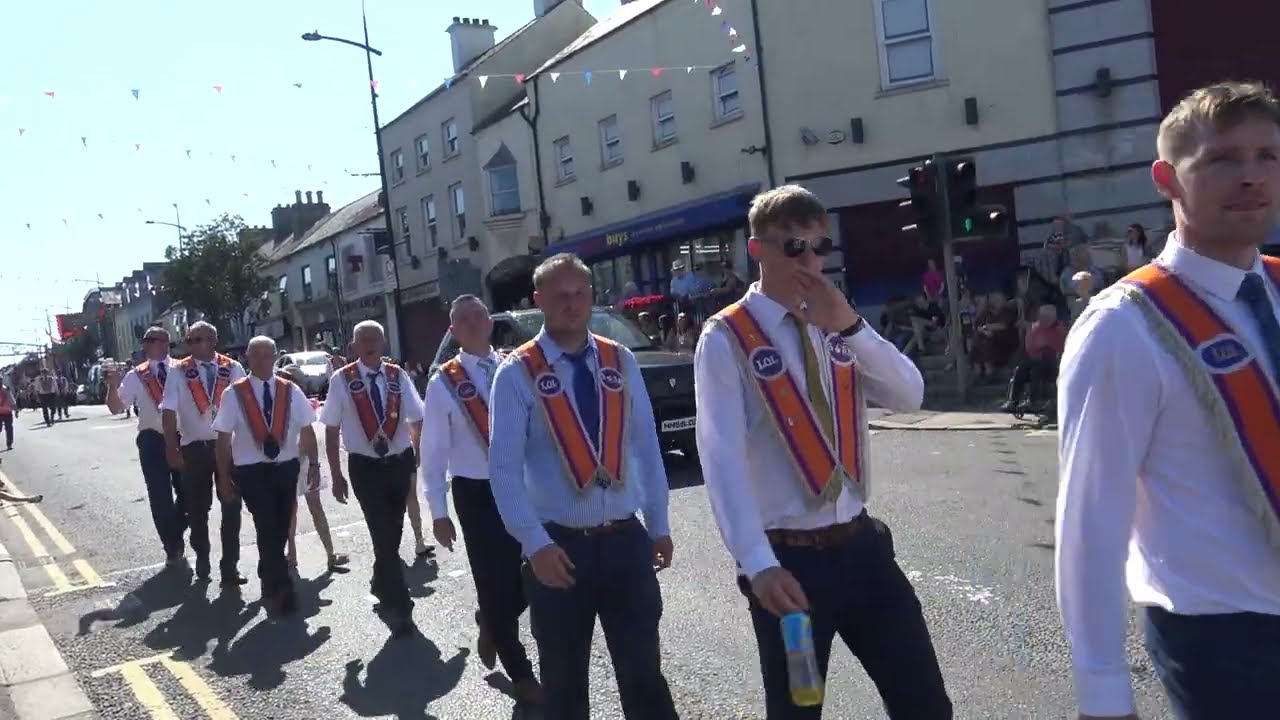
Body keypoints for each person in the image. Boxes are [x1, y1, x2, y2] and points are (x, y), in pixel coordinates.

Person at [1057, 80, 1280, 720]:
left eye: (1267, 156)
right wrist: (1102, 692)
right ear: (1167, 179)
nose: (1252, 176)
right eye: (1222, 159)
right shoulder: (1124, 325)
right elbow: (1091, 523)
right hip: (1228, 642)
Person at [695, 185, 950, 720]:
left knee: (924, 703)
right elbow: (720, 458)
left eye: (820, 247)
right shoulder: (726, 337)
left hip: (861, 548)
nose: (810, 261)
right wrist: (758, 565)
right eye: (794, 248)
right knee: (797, 712)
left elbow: (909, 395)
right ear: (757, 250)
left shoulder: (834, 323)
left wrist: (852, 326)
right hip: (789, 562)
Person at [489, 253, 677, 720]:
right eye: (559, 296)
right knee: (565, 686)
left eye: (580, 294)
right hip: (559, 550)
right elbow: (504, 471)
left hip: (625, 543)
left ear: (592, 296)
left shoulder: (621, 359)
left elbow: (646, 448)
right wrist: (535, 545)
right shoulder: (516, 373)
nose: (572, 304)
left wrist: (659, 524)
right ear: (539, 301)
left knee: (644, 678)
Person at [421, 295, 543, 706]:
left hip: (525, 487)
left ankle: (491, 620)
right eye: (463, 320)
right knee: (493, 580)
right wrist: (438, 512)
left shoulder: (516, 367)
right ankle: (521, 672)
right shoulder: (443, 382)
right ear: (453, 330)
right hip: (476, 493)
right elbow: (433, 453)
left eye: (479, 316)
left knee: (534, 573)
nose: (473, 323)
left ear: (490, 323)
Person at [320, 320, 426, 636]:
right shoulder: (342, 380)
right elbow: (330, 428)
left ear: (384, 344)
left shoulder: (398, 375)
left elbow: (417, 417)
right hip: (365, 467)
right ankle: (400, 607)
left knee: (393, 531)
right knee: (382, 533)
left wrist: (416, 454)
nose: (369, 344)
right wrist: (336, 475)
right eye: (363, 339)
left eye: (375, 339)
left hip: (398, 462)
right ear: (353, 346)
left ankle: (381, 581)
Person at [213, 336, 319, 615]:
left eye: (267, 355)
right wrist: (223, 476)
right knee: (266, 522)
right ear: (247, 357)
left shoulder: (290, 391)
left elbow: (307, 430)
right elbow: (223, 438)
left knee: (281, 525)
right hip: (251, 470)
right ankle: (280, 586)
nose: (262, 360)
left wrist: (316, 465)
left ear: (275, 357)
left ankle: (268, 573)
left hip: (286, 466)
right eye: (256, 355)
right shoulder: (234, 393)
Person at [160, 321, 247, 586]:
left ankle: (230, 566)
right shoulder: (178, 371)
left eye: (198, 339)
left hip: (227, 447)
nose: (192, 344)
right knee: (197, 509)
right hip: (194, 447)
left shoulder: (232, 368)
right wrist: (171, 447)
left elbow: (245, 407)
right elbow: (168, 410)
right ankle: (202, 555)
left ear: (213, 340)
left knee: (231, 505)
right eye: (190, 340)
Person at [106, 326, 188, 571]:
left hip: (183, 437)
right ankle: (172, 547)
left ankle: (176, 529)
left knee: (189, 493)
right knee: (160, 496)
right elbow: (116, 408)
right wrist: (112, 385)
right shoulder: (135, 375)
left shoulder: (183, 369)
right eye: (149, 341)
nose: (151, 344)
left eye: (158, 340)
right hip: (152, 439)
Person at [273, 368, 348, 575]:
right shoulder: (295, 400)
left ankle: (294, 556)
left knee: (293, 511)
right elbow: (308, 434)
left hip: (292, 462)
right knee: (311, 509)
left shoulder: (279, 401)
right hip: (298, 461)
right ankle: (328, 554)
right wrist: (312, 462)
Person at [1000, 305, 1066, 414]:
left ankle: (1033, 401)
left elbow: (1058, 347)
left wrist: (1043, 346)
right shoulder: (1036, 327)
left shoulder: (1058, 329)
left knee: (1037, 369)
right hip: (1034, 359)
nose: (1043, 319)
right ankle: (1013, 401)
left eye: (1046, 317)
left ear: (1053, 318)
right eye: (1042, 317)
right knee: (1020, 370)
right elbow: (1030, 345)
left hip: (1051, 363)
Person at [0, 381, 14, 450]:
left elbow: (11, 399)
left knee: (9, 429)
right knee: (8, 429)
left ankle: (9, 443)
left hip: (7, 412)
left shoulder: (6, 389)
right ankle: (9, 444)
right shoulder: (6, 389)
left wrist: (16, 409)